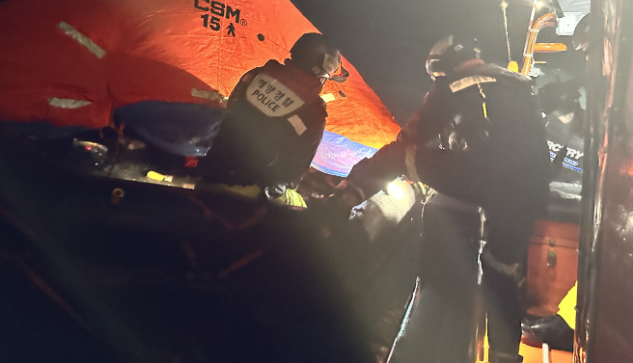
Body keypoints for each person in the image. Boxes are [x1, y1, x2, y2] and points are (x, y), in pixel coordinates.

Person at [342, 35, 550, 363]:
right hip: (527, 191)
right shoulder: (518, 84)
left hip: (483, 181)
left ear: (442, 68)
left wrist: (367, 177)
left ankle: (347, 194)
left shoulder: (449, 86)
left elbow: (411, 137)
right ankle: (505, 355)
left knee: (402, 155)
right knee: (502, 268)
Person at [199, 33, 344, 199]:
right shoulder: (313, 111)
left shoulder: (257, 74)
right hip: (250, 191)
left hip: (212, 166)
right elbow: (298, 164)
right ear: (322, 70)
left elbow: (231, 110)